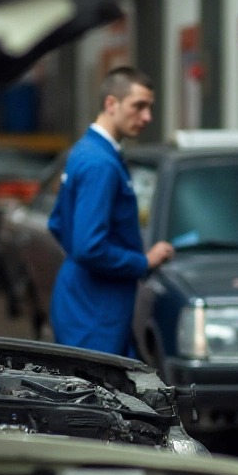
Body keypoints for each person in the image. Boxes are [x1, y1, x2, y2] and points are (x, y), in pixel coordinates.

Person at [48, 67, 173, 356]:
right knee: (95, 397)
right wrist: (144, 261)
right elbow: (89, 247)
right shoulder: (101, 163)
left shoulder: (86, 150)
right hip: (96, 310)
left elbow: (57, 223)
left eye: (150, 108)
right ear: (111, 104)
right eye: (138, 106)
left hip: (86, 301)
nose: (147, 117)